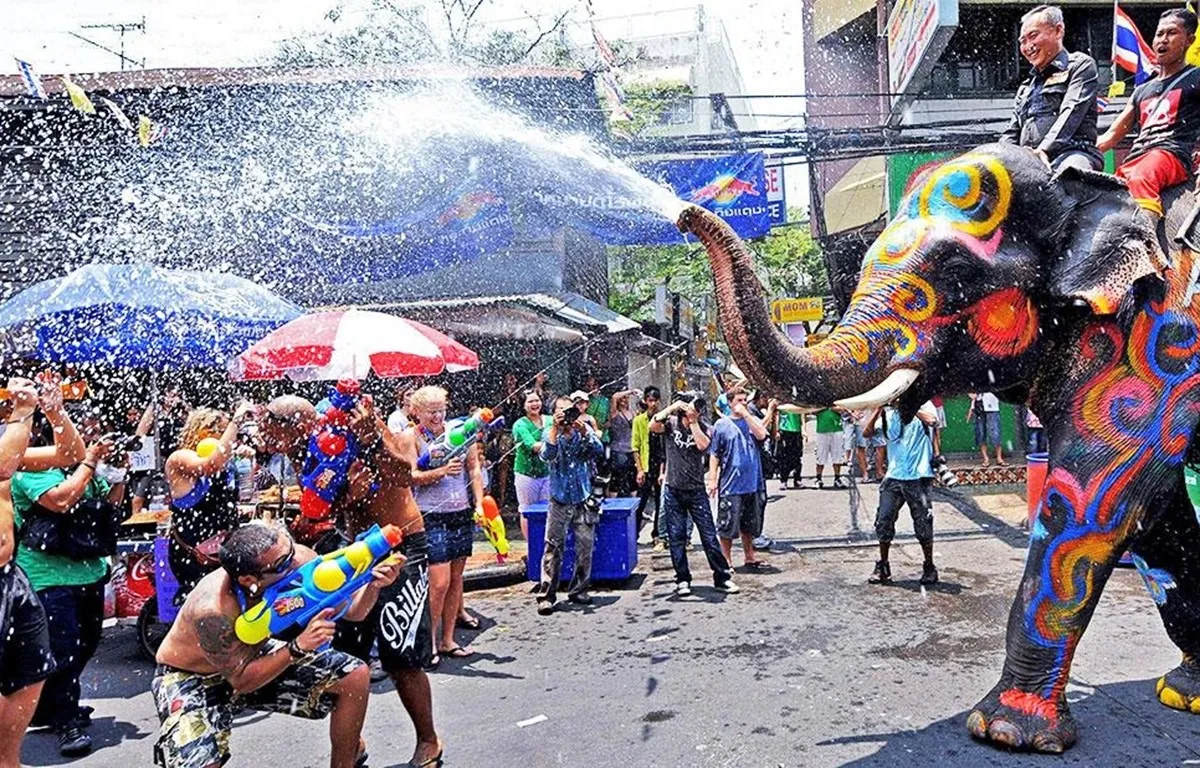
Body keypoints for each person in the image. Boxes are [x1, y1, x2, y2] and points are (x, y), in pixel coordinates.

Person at [257, 394, 443, 767]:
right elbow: (328, 502)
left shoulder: (360, 425)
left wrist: (372, 439)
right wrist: (317, 516)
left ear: (296, 424)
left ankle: (429, 740)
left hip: (400, 544)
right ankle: (351, 745)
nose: (268, 441)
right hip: (353, 548)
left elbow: (405, 474)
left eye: (273, 432)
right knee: (343, 655)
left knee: (399, 653)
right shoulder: (306, 449)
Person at [152, 522, 399, 768]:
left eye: (290, 551)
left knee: (353, 676)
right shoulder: (213, 610)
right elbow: (241, 681)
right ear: (249, 579)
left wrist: (372, 585)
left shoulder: (297, 558)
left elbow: (354, 612)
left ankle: (346, 758)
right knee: (199, 764)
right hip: (192, 676)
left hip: (255, 656)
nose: (294, 562)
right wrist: (296, 648)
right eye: (282, 564)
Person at [12, 414, 124, 758]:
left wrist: (119, 471)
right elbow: (61, 500)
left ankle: (52, 705)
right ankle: (66, 720)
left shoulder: (83, 466)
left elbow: (112, 505)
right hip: (46, 576)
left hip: (88, 571)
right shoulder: (29, 468)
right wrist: (89, 461)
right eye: (81, 434)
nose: (88, 439)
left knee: (87, 643)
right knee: (64, 648)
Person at [1, 374, 87, 762]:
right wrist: (23, 411)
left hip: (11, 579)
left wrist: (56, 413)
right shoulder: (9, 443)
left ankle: (9, 759)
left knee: (32, 670)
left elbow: (70, 455)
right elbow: (3, 467)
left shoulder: (13, 442)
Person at [1099, 9, 1200, 252]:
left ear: (1190, 40)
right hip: (1137, 157)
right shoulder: (1141, 90)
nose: (1162, 40)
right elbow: (1112, 135)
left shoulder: (1197, 78)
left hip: (1171, 154)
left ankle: (1142, 249)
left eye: (1172, 33)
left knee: (1143, 175)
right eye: (1159, 34)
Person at [408, 386, 484, 664]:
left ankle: (448, 640)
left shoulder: (462, 431)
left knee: (455, 580)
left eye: (441, 410)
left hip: (460, 512)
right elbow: (411, 476)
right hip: (431, 514)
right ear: (416, 412)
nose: (438, 416)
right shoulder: (413, 437)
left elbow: (474, 468)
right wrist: (440, 471)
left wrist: (479, 504)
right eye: (431, 411)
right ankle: (428, 643)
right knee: (438, 583)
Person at [165, 404, 253, 603]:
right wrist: (235, 422)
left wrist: (246, 461)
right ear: (204, 431)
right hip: (193, 552)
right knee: (202, 605)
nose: (228, 438)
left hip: (222, 549)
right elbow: (210, 465)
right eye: (222, 432)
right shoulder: (180, 457)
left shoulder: (224, 459)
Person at [651, 395, 738, 596]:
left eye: (699, 406)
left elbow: (703, 446)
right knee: (676, 537)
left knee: (709, 536)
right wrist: (672, 407)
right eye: (692, 406)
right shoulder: (670, 424)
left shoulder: (704, 426)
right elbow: (652, 426)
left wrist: (693, 422)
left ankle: (722, 578)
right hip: (673, 490)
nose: (696, 409)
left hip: (696, 490)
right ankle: (682, 579)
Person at [1000, 5, 1103, 172]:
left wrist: (1045, 149)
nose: (1028, 46)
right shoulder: (1025, 87)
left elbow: (1072, 111)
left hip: (1073, 153)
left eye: (1033, 36)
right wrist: (999, 157)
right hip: (1029, 161)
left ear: (1058, 31)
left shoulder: (1080, 65)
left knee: (1068, 178)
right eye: (1023, 41)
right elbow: (1012, 133)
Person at [536, 397, 605, 615]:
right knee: (553, 547)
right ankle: (546, 594)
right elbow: (547, 455)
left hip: (583, 497)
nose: (566, 415)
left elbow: (598, 450)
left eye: (569, 410)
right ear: (553, 413)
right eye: (561, 411)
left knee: (584, 547)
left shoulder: (581, 430)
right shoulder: (549, 432)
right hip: (559, 498)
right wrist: (556, 430)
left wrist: (585, 431)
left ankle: (579, 589)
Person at [864, 402, 941, 586]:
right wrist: (878, 410)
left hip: (919, 475)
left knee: (923, 523)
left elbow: (932, 421)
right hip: (894, 476)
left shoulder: (924, 405)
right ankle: (883, 566)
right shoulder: (889, 415)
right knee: (884, 520)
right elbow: (867, 433)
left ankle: (929, 566)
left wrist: (910, 406)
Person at [706, 385, 770, 571]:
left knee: (749, 524)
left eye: (745, 400)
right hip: (731, 484)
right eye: (739, 401)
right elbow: (715, 454)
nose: (742, 404)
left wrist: (746, 415)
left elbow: (762, 434)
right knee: (727, 525)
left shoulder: (753, 421)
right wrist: (712, 479)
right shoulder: (722, 425)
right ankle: (726, 560)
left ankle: (749, 556)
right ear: (730, 403)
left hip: (753, 482)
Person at [512, 389, 551, 543]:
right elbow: (532, 445)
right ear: (523, 405)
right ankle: (531, 546)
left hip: (546, 473)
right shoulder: (520, 424)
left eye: (537, 400)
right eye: (530, 401)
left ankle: (546, 543)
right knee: (527, 510)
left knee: (547, 509)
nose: (534, 404)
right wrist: (553, 446)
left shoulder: (550, 420)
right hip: (526, 474)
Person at [632, 386, 667, 546]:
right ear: (645, 401)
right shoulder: (639, 421)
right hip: (646, 466)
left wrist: (663, 471)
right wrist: (639, 469)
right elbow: (635, 446)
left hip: (659, 465)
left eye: (655, 400)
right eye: (650, 400)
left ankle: (657, 534)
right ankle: (633, 534)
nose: (652, 404)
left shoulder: (664, 419)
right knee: (641, 501)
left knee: (661, 503)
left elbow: (664, 449)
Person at [606, 389, 640, 497]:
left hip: (631, 449)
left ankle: (634, 504)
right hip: (618, 450)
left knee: (633, 477)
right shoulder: (615, 413)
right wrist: (630, 392)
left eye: (626, 398)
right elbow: (614, 396)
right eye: (622, 398)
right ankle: (612, 504)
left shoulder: (633, 413)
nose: (624, 400)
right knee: (617, 477)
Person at [967, 392, 1006, 466]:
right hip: (978, 407)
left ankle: (999, 457)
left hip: (992, 406)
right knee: (980, 433)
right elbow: (970, 392)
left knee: (995, 432)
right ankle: (986, 459)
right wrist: (971, 405)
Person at [814, 407, 847, 489]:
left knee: (838, 456)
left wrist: (833, 408)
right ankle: (818, 478)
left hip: (837, 429)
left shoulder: (836, 397)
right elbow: (812, 411)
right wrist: (823, 407)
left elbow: (843, 409)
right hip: (822, 429)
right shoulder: (819, 399)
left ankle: (837, 478)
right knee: (820, 455)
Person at [854, 410, 888, 482]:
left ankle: (879, 472)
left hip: (877, 419)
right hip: (861, 420)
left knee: (881, 445)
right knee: (861, 447)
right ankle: (865, 474)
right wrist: (852, 412)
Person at [776, 405, 805, 490]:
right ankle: (783, 481)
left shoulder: (797, 401)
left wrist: (804, 430)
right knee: (784, 457)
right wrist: (777, 430)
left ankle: (797, 480)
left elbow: (802, 415)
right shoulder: (782, 402)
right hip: (784, 430)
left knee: (797, 457)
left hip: (796, 430)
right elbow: (778, 415)